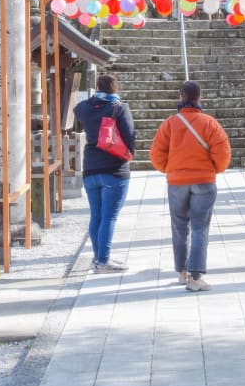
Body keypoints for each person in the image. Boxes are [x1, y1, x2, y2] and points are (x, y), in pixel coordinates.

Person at [149, 80, 231, 292]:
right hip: (204, 181)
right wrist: (214, 169)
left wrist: (169, 169)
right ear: (199, 98)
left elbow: (156, 153)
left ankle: (182, 272)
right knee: (199, 228)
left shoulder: (169, 124)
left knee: (179, 227)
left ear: (181, 97)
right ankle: (196, 277)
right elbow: (222, 153)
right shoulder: (210, 123)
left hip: (177, 182)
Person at [74, 73, 136, 273]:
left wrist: (94, 99)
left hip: (90, 168)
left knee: (97, 216)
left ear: (97, 88)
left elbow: (77, 109)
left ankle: (99, 257)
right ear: (115, 88)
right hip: (114, 168)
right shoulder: (119, 108)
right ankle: (103, 261)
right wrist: (129, 154)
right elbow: (130, 136)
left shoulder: (85, 108)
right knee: (109, 217)